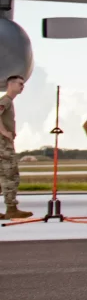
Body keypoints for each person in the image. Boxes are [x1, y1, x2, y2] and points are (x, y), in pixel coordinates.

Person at [0, 75, 32, 220]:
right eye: (20, 84)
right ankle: (11, 208)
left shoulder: (8, 101)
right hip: (3, 145)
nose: (22, 87)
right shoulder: (6, 100)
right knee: (11, 176)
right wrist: (4, 132)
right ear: (10, 84)